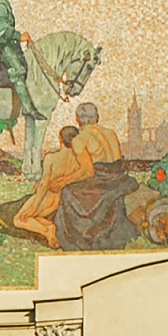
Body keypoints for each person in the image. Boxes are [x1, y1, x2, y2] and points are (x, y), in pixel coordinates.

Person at [54, 104, 139, 250]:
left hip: (102, 182)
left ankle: (75, 237)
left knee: (67, 192)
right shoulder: (110, 133)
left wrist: (63, 181)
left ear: (78, 120)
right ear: (97, 117)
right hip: (120, 178)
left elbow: (87, 172)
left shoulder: (80, 139)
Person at [12, 126, 82, 249]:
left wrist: (33, 207)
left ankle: (46, 230)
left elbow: (44, 184)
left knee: (19, 219)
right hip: (61, 200)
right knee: (37, 217)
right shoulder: (79, 159)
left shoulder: (51, 158)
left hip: (48, 198)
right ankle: (50, 227)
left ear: (60, 139)